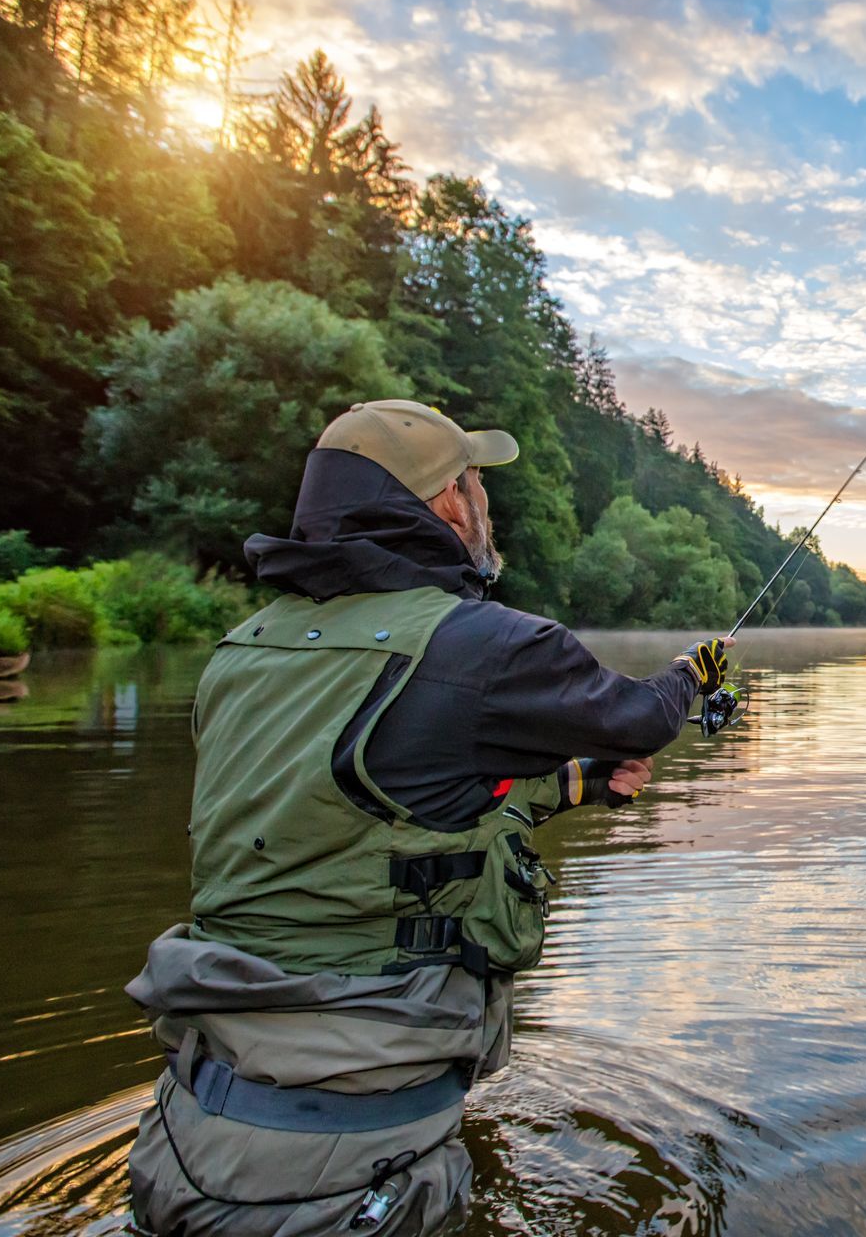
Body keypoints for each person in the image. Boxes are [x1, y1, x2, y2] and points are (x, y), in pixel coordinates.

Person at [126, 399, 733, 1235]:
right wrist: (687, 674)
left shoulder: (243, 653)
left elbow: (373, 805)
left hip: (181, 1140)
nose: (488, 506)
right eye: (479, 485)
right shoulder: (486, 646)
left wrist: (581, 784)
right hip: (347, 1179)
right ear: (448, 501)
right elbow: (641, 718)